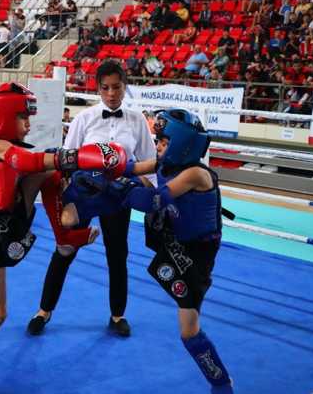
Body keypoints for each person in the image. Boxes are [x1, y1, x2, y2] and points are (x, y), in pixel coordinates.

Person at [0, 82, 127, 393]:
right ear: (1, 117)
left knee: (51, 172)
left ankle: (66, 237)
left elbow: (38, 165)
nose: (29, 124)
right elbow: (27, 162)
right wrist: (76, 156)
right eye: (23, 117)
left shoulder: (6, 145)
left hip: (11, 221)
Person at [62, 109, 234, 394]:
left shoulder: (194, 173)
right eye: (159, 141)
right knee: (107, 194)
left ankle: (222, 384)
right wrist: (97, 167)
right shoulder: (163, 164)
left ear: (182, 143)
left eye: (164, 142)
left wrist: (113, 185)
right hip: (176, 243)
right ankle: (74, 214)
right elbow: (129, 168)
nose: (158, 147)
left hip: (196, 254)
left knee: (189, 331)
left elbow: (154, 199)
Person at [27, 60, 156, 337]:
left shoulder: (137, 121)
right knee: (65, 249)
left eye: (117, 87)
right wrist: (65, 191)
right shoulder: (84, 119)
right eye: (106, 88)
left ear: (125, 87)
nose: (111, 93)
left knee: (117, 254)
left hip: (118, 196)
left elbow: (149, 162)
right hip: (83, 194)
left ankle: (117, 315)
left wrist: (140, 189)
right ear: (98, 89)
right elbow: (67, 157)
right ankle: (43, 310)